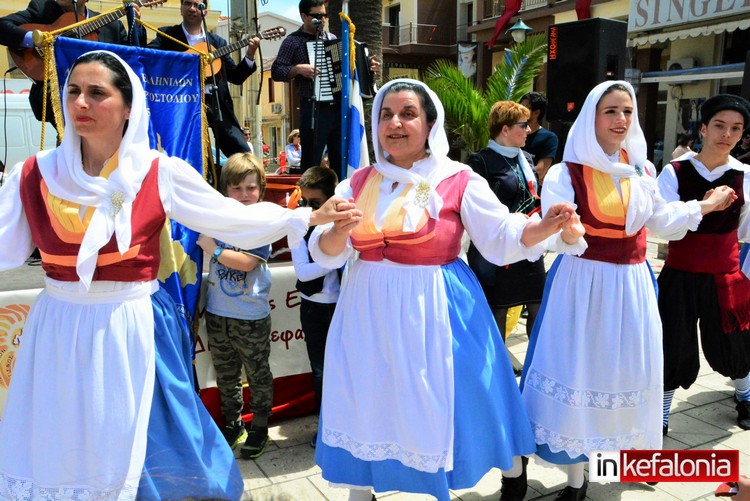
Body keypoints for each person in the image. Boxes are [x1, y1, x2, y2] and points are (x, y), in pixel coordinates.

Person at [0, 49, 358, 500]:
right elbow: (6, 248)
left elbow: (230, 218)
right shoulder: (33, 174)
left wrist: (305, 217)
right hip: (59, 329)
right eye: (73, 91)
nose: (81, 103)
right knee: (65, 433)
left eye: (97, 92)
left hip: (133, 324)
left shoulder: (158, 172)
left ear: (128, 107)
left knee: (152, 441)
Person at [309, 78, 585, 501]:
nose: (395, 123)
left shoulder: (457, 177)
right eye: (386, 115)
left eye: (408, 114)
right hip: (367, 311)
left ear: (430, 123)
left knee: (471, 397)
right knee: (369, 397)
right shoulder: (357, 183)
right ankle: (360, 491)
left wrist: (544, 226)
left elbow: (500, 234)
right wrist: (336, 231)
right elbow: (327, 253)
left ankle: (511, 469)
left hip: (439, 306)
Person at [519, 81, 736, 500]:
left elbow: (660, 220)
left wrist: (704, 206)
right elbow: (555, 230)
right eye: (611, 111)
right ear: (591, 118)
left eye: (627, 111)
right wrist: (569, 232)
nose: (621, 120)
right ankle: (576, 479)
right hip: (583, 283)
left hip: (633, 284)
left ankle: (632, 460)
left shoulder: (641, 168)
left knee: (631, 373)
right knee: (579, 371)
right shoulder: (567, 172)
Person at [658, 94, 750, 435]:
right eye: (720, 126)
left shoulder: (745, 175)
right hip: (679, 274)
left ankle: (746, 396)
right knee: (672, 342)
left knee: (735, 342)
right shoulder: (675, 171)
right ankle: (661, 414)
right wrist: (705, 206)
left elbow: (745, 230)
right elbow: (663, 224)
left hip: (725, 276)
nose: (727, 134)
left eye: (736, 129)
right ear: (704, 129)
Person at [197, 152, 275, 460]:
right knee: (226, 373)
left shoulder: (262, 222)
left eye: (251, 188)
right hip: (218, 313)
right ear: (225, 190)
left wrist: (214, 250)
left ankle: (260, 425)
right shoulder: (218, 220)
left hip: (250, 317)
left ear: (261, 189)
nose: (244, 194)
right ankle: (233, 423)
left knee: (257, 373)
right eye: (237, 188)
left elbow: (246, 263)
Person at [466, 101, 544, 348]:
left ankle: (536, 365)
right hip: (495, 247)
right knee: (498, 309)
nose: (529, 130)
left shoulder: (526, 158)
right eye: (524, 125)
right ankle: (499, 368)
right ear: (505, 129)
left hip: (528, 243)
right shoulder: (480, 161)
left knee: (538, 305)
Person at [0, 0, 146, 125]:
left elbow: (135, 58)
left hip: (100, 95)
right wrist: (36, 39)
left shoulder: (113, 26)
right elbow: (2, 26)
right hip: (54, 90)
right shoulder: (42, 9)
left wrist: (136, 24)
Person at [147, 0, 259, 160]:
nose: (192, 9)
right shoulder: (167, 35)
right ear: (181, 9)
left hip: (216, 103)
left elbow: (236, 77)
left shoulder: (217, 43)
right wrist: (183, 61)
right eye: (187, 4)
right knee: (186, 154)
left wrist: (250, 54)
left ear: (205, 12)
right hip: (182, 101)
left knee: (242, 153)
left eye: (197, 5)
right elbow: (150, 56)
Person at [291, 166, 340, 448]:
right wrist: (334, 257)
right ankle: (325, 426)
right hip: (314, 308)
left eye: (316, 203)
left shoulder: (342, 224)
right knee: (320, 369)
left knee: (346, 367)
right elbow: (303, 272)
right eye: (305, 202)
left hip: (344, 305)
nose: (309, 209)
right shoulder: (300, 226)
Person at [520, 91, 559, 184]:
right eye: (520, 106)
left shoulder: (549, 138)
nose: (520, 110)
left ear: (536, 113)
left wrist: (510, 175)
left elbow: (539, 172)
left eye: (525, 107)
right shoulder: (513, 132)